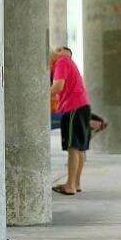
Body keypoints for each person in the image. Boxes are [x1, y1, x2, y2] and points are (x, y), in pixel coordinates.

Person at [50, 47, 91, 195]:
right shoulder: (70, 63)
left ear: (60, 50)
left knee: (72, 148)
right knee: (79, 148)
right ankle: (76, 183)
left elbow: (58, 86)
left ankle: (70, 186)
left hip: (73, 107)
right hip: (82, 106)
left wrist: (40, 95)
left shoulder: (61, 62)